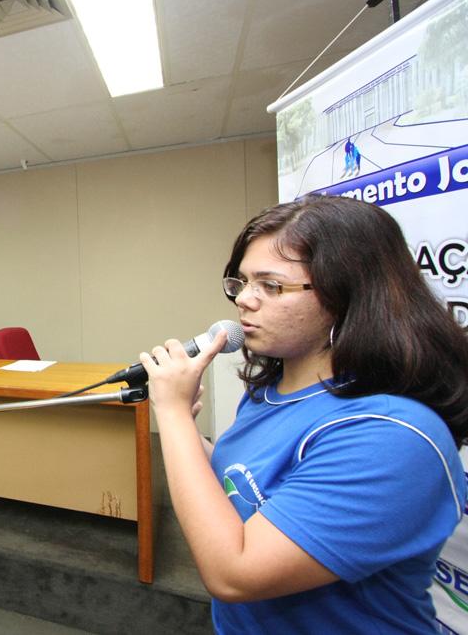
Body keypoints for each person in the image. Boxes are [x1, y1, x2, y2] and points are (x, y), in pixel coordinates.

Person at [138, 194, 468, 633]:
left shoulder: (392, 435)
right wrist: (183, 432)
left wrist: (175, 416)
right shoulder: (272, 391)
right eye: (242, 282)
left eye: (271, 286)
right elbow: (246, 484)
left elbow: (234, 573)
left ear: (348, 292)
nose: (244, 300)